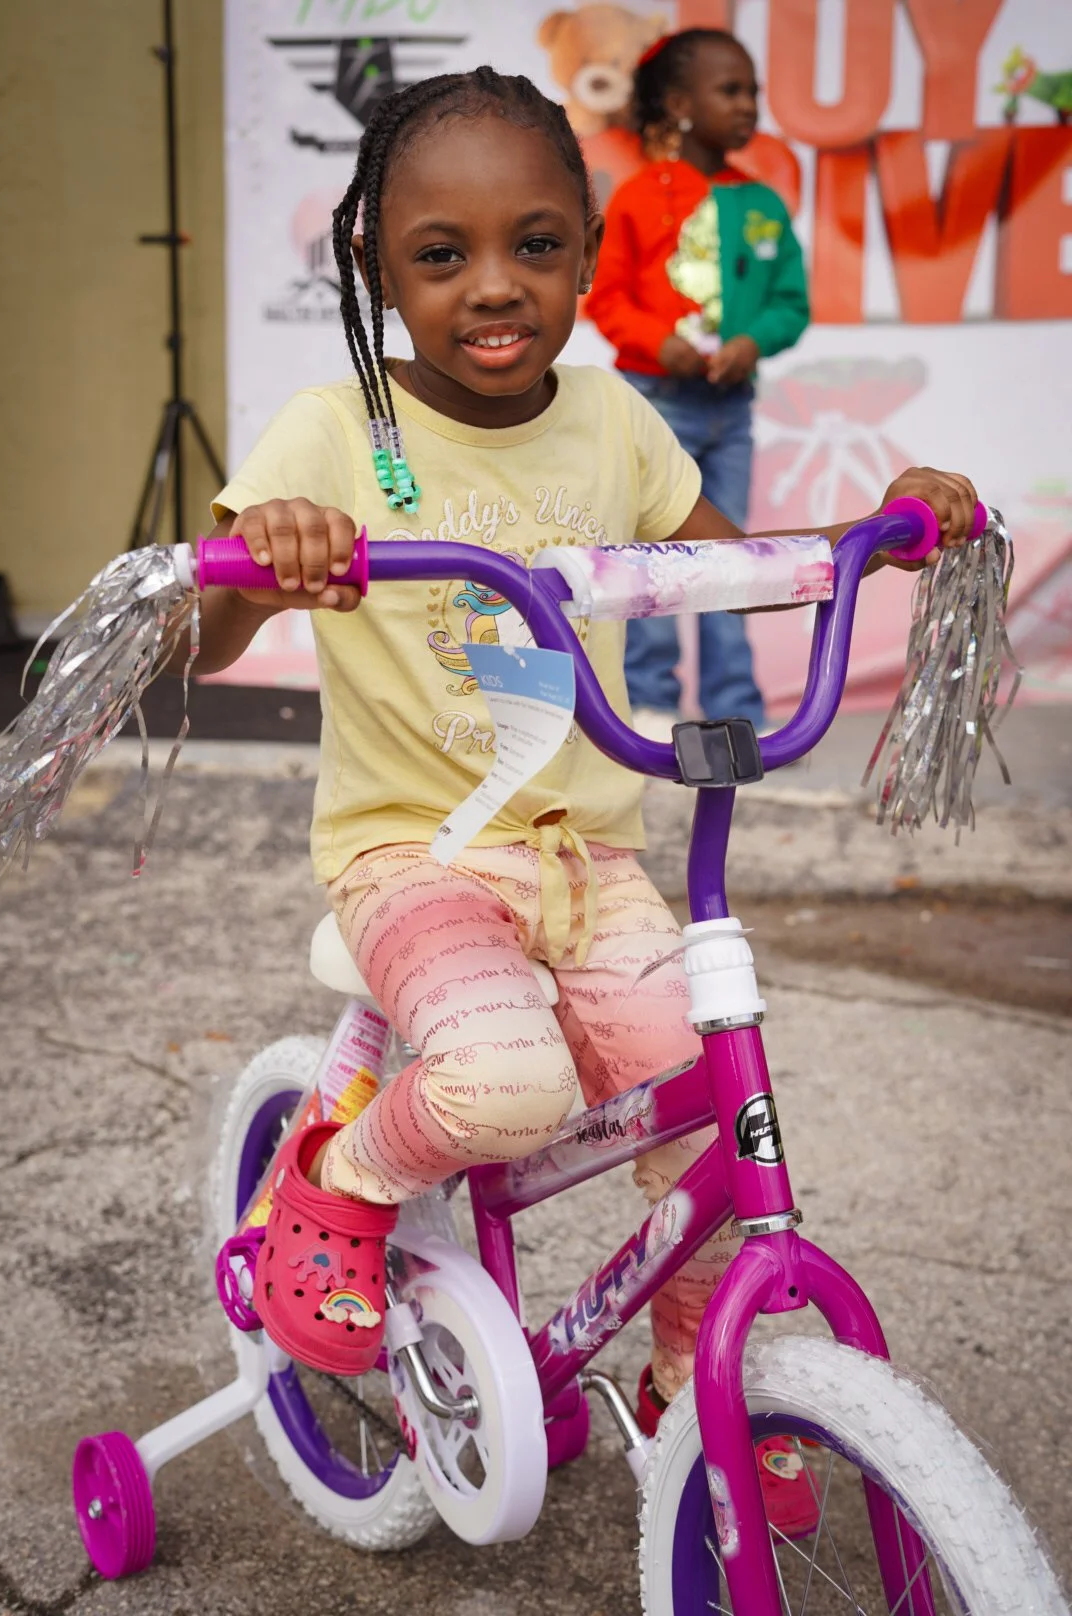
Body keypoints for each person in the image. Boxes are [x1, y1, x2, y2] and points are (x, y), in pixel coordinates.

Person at [178, 67, 977, 1533]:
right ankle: (336, 1181)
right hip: (416, 855)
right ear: (374, 262)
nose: (495, 286)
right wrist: (267, 554)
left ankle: (689, 1385)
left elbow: (741, 566)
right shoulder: (338, 431)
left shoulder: (614, 422)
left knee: (707, 1105)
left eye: (536, 245)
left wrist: (879, 532)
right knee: (508, 1084)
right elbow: (202, 633)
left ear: (591, 248)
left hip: (582, 856)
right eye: (442, 254)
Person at [585, 28, 809, 741]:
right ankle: (651, 700)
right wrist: (659, 344)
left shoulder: (763, 204)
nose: (748, 105)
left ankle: (734, 707)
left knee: (732, 557)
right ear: (680, 105)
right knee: (655, 557)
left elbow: (791, 303)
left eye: (753, 92)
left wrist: (752, 342)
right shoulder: (635, 199)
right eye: (730, 90)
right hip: (654, 405)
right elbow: (605, 297)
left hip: (729, 412)